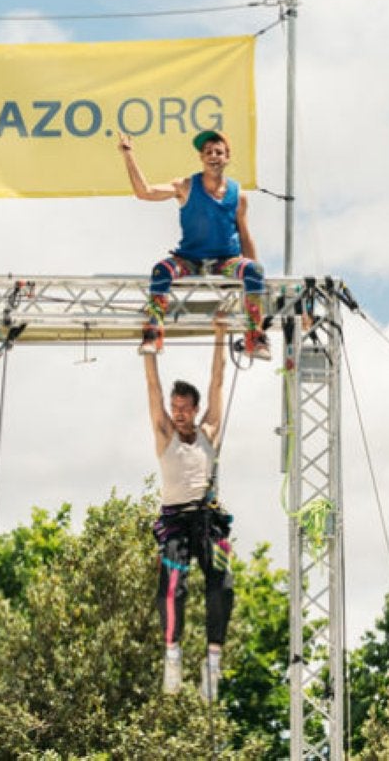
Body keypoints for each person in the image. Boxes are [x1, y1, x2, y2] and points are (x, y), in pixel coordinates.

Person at [119, 129, 270, 360]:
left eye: (218, 152)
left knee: (254, 270)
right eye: (208, 152)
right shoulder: (186, 186)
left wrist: (254, 274)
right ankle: (153, 334)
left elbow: (244, 234)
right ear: (201, 158)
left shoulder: (238, 195)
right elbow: (145, 192)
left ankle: (255, 338)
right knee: (161, 271)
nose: (213, 156)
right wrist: (128, 155)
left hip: (225, 261)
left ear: (227, 157)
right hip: (190, 259)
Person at [144, 320, 235, 700]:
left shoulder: (208, 432)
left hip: (208, 520)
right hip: (175, 522)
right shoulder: (164, 433)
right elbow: (153, 387)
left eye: (185, 408)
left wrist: (219, 334)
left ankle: (212, 660)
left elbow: (217, 379)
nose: (178, 413)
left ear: (196, 410)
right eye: (174, 408)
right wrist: (149, 350)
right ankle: (173, 655)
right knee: (172, 588)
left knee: (222, 585)